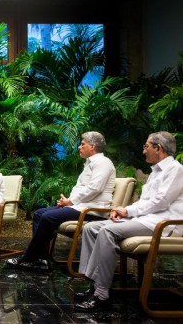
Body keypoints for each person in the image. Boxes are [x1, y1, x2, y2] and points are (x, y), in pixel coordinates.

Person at [74, 131, 183, 312]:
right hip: (147, 219)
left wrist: (128, 210)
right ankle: (94, 285)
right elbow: (145, 201)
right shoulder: (156, 171)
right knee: (91, 228)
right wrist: (126, 213)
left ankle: (102, 295)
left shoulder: (176, 169)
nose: (144, 151)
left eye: (146, 146)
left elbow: (161, 201)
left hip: (163, 224)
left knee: (107, 231)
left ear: (159, 148)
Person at [6, 131, 115, 271]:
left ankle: (28, 258)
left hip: (92, 210)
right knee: (39, 213)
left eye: (82, 144)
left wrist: (70, 201)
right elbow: (83, 188)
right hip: (79, 206)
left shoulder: (103, 163)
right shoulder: (90, 163)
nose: (79, 147)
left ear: (92, 146)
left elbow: (95, 188)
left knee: (47, 217)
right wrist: (69, 201)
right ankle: (41, 260)